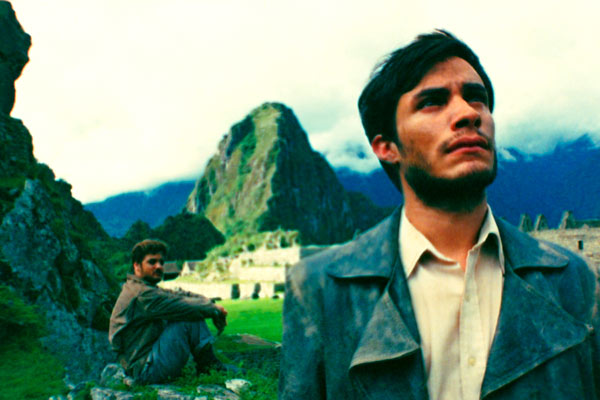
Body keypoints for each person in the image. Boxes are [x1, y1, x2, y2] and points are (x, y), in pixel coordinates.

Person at [279, 30, 599, 399]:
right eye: (432, 102)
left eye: (477, 98)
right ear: (386, 147)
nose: (468, 113)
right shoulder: (321, 290)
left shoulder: (573, 281)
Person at [109, 239, 229, 384]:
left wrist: (211, 305)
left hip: (147, 361)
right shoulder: (142, 294)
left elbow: (180, 295)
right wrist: (214, 310)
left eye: (161, 262)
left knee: (190, 311)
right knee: (188, 318)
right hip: (144, 370)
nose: (159, 266)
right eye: (152, 262)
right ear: (137, 266)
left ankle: (209, 365)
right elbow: (184, 306)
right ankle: (209, 367)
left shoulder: (143, 288)